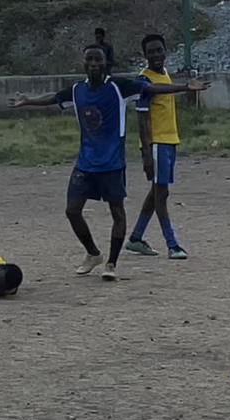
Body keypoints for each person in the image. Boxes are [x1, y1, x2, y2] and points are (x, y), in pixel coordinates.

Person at [8, 45, 142, 280]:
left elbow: (152, 88)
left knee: (117, 213)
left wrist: (183, 87)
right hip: (85, 164)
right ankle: (93, 253)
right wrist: (27, 101)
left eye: (97, 59)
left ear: (105, 64)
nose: (93, 63)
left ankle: (111, 263)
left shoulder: (118, 87)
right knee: (72, 210)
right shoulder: (78, 90)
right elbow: (54, 98)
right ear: (84, 64)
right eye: (89, 59)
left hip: (112, 164)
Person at [126, 32, 205, 259]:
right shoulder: (144, 80)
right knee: (161, 194)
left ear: (165, 50)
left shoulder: (165, 76)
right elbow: (142, 119)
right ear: (145, 55)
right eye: (151, 52)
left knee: (159, 191)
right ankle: (172, 245)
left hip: (170, 142)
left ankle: (136, 238)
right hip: (157, 143)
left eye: (159, 50)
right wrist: (146, 153)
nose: (156, 55)